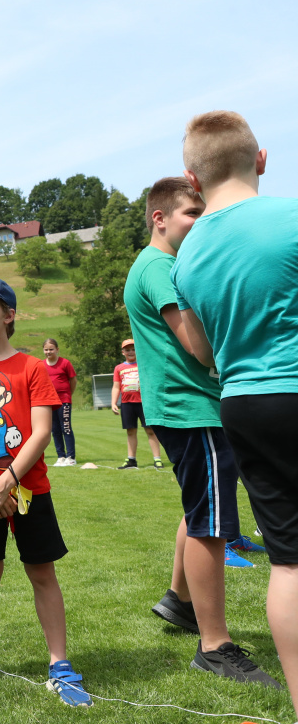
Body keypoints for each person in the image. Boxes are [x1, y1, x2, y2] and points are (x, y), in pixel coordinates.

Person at [125, 176, 278, 687]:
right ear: (159, 218)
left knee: (201, 509)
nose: (200, 220)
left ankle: (180, 600)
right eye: (192, 212)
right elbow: (198, 346)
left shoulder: (156, 265)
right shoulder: (160, 268)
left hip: (186, 408)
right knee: (212, 525)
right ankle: (214, 645)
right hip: (192, 408)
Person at [171, 110, 298, 714]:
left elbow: (202, 351)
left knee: (289, 562)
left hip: (243, 404)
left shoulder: (186, 258)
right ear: (261, 159)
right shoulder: (291, 216)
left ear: (193, 181)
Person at [0, 277, 92, 708]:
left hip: (29, 489)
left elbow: (42, 432)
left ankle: (59, 664)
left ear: (9, 315)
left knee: (42, 572)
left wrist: (6, 481)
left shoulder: (32, 368)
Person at [112, 339, 163, 469]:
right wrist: (113, 403)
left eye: (133, 349)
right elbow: (116, 387)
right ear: (123, 352)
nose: (131, 352)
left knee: (150, 430)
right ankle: (131, 460)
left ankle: (157, 459)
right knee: (130, 431)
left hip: (144, 403)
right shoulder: (119, 368)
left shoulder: (143, 365)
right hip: (127, 403)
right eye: (127, 350)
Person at [42, 339, 77, 467]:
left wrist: (68, 395)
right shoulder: (41, 365)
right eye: (46, 349)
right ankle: (61, 456)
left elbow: (73, 380)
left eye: (51, 349)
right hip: (50, 402)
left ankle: (71, 457)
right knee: (55, 430)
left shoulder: (65, 363)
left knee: (66, 428)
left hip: (64, 401)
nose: (49, 352)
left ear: (57, 349)